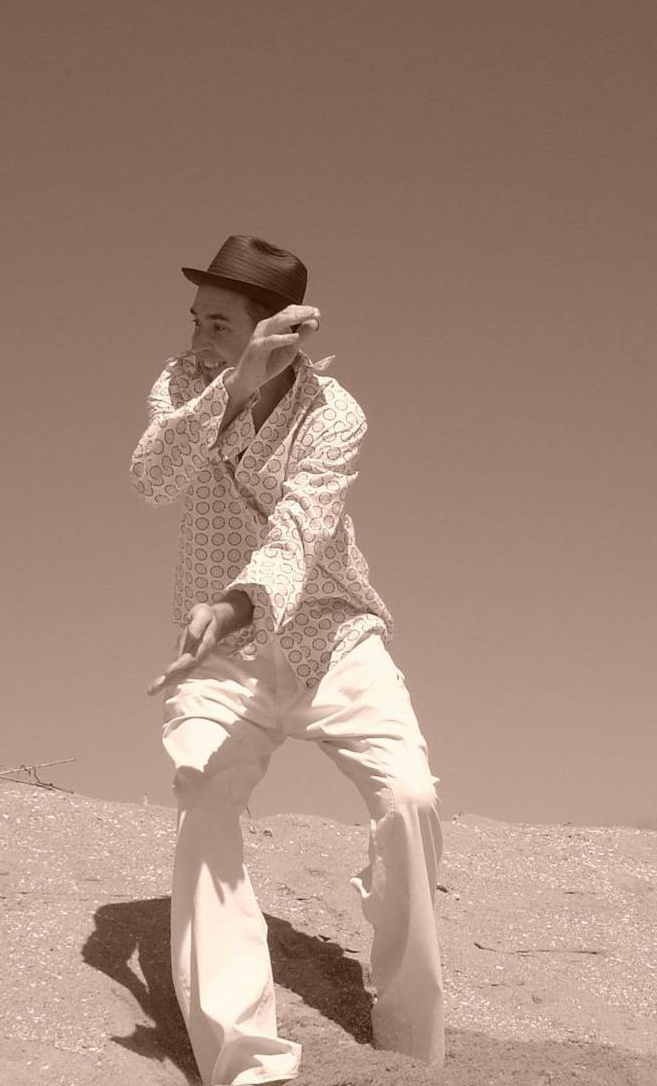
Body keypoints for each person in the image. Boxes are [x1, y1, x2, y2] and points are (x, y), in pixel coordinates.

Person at [130, 235, 444, 1085]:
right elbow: (153, 479)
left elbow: (301, 528)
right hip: (222, 651)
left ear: (282, 330)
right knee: (202, 788)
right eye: (197, 318)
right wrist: (227, 389)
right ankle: (247, 1065)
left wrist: (235, 599)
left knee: (409, 799)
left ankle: (414, 1043)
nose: (200, 335)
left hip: (331, 631)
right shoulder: (184, 385)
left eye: (222, 324)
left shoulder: (336, 414)